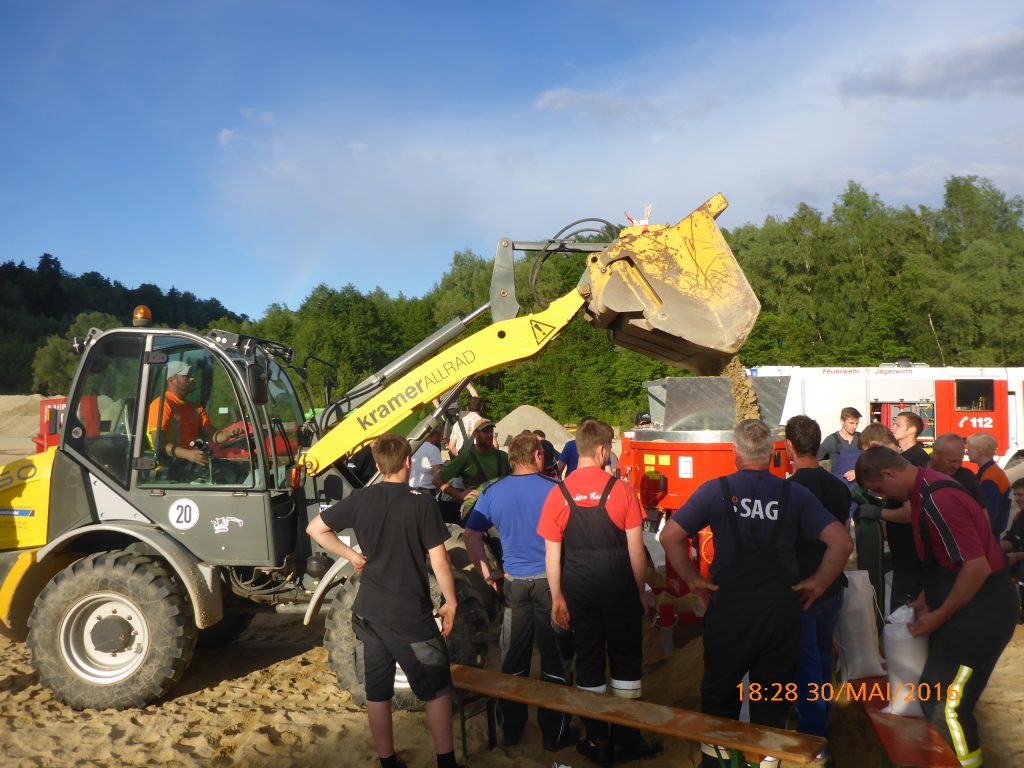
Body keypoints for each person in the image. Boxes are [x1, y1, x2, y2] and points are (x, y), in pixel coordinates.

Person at [660, 419, 852, 768]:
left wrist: (693, 580)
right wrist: (820, 582)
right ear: (773, 453)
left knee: (720, 694)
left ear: (735, 454)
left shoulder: (714, 490)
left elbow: (670, 536)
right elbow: (841, 542)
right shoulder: (794, 494)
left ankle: (717, 763)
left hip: (730, 607)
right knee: (772, 697)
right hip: (780, 611)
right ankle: (765, 761)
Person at [855, 447, 1018, 768]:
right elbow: (945, 562)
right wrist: (927, 599)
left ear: (888, 473)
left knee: (948, 706)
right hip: (966, 607)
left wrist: (939, 615)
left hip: (982, 612)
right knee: (933, 693)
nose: (882, 497)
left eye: (879, 490)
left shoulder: (938, 500)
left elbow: (976, 567)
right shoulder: (925, 493)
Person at [306, 434, 462, 768]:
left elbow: (315, 528)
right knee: (437, 688)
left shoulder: (361, 498)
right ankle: (446, 763)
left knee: (378, 692)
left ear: (377, 465)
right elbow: (440, 561)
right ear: (408, 462)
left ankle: (388, 762)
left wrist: (352, 556)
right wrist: (451, 601)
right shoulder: (422, 502)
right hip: (409, 615)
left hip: (368, 614)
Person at [538, 418, 662, 764]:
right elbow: (637, 550)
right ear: (604, 450)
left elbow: (552, 554)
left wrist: (557, 597)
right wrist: (641, 591)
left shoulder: (558, 492)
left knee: (589, 660)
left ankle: (597, 742)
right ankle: (626, 739)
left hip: (579, 587)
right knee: (625, 663)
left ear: (578, 448)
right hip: (618, 585)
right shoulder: (621, 490)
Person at [464, 432, 578, 752]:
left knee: (514, 660)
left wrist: (487, 573)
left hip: (513, 583)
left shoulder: (493, 492)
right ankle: (554, 734)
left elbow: (471, 535)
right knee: (555, 662)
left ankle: (511, 730)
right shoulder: (556, 489)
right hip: (551, 585)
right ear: (538, 456)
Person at [784, 415, 851, 741]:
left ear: (789, 447)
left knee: (806, 663)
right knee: (824, 655)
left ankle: (813, 735)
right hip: (833, 584)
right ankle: (822, 712)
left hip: (802, 587)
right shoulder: (838, 486)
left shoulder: (789, 490)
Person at [147, 361, 243, 474]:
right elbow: (159, 444)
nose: (192, 378)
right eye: (186, 376)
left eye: (192, 375)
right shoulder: (161, 404)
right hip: (168, 468)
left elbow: (214, 436)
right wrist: (188, 454)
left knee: (238, 471)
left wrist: (228, 434)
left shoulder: (195, 408)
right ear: (171, 380)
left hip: (191, 465)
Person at [889, 411, 929, 610]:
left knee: (906, 602)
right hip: (903, 543)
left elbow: (910, 510)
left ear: (911, 430)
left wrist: (878, 513)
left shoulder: (913, 461)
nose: (893, 427)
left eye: (897, 424)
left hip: (910, 543)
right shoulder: (905, 457)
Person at [434, 419, 510, 520]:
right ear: (475, 434)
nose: (489, 434)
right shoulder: (466, 457)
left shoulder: (503, 457)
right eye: (485, 431)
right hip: (477, 511)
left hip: (501, 510)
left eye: (491, 431)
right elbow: (437, 480)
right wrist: (459, 494)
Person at [966, 433, 1011, 535]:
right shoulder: (992, 473)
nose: (967, 451)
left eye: (969, 449)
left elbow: (989, 515)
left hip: (988, 537)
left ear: (980, 451)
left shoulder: (989, 478)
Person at [929, 433, 985, 507]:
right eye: (952, 461)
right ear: (935, 455)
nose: (956, 466)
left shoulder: (967, 477)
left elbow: (982, 511)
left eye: (960, 460)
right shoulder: (917, 475)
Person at [816, 406, 862, 483]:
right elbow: (813, 460)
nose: (855, 426)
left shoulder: (862, 438)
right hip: (838, 488)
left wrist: (857, 472)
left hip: (859, 489)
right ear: (842, 421)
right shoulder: (831, 440)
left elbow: (872, 462)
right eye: (851, 423)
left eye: (857, 423)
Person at [447, 388, 483, 457]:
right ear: (481, 408)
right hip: (480, 460)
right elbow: (495, 445)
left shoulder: (458, 424)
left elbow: (451, 447)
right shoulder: (484, 423)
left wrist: (461, 459)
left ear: (467, 408)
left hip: (464, 461)